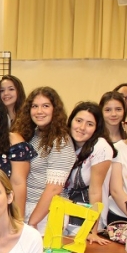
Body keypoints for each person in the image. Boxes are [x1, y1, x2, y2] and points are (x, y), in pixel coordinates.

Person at [12, 86, 76, 233]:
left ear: (55, 109)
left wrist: (32, 222)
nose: (39, 111)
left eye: (45, 106)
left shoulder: (61, 141)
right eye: (35, 106)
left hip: (45, 215)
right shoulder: (31, 135)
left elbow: (54, 188)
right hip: (23, 209)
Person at [62, 102, 116, 243]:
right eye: (78, 121)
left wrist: (93, 230)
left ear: (96, 128)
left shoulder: (101, 147)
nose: (82, 128)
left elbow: (95, 191)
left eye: (89, 124)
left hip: (86, 221)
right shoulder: (64, 143)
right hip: (62, 216)